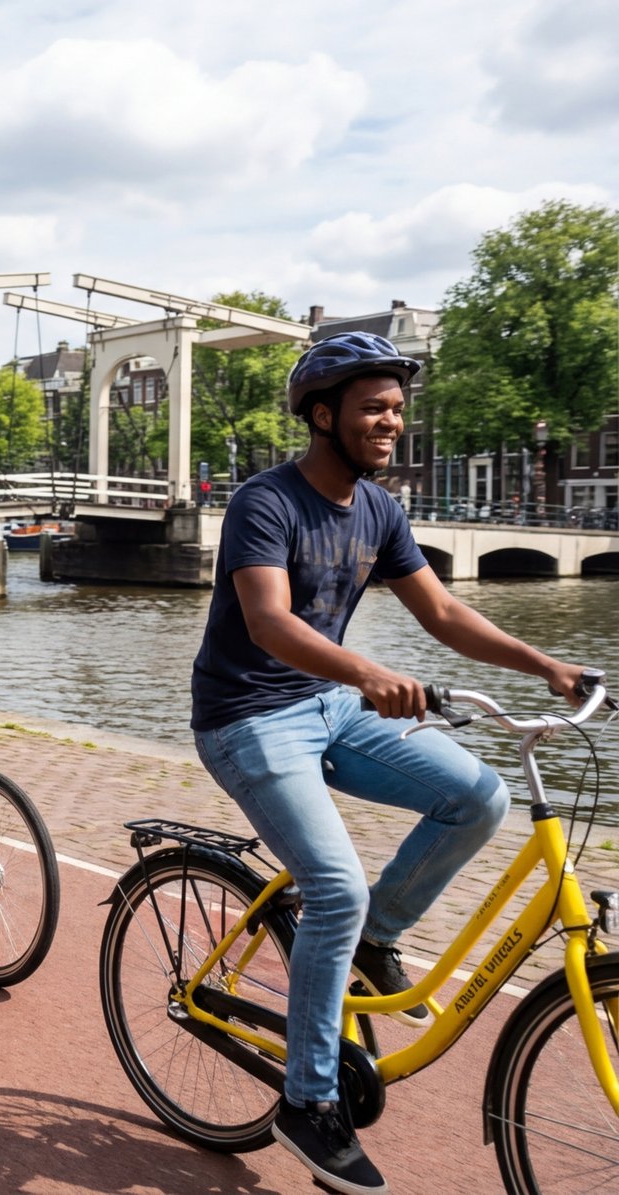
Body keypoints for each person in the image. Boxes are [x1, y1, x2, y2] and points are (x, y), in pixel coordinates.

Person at [189, 331, 588, 1195]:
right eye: (375, 408)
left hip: (328, 705)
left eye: (398, 409)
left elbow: (443, 612)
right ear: (323, 414)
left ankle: (378, 934)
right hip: (249, 717)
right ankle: (307, 1098)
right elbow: (269, 622)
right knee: (332, 882)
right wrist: (369, 671)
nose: (391, 423)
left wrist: (547, 667)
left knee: (479, 795)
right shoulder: (266, 502)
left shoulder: (379, 509)